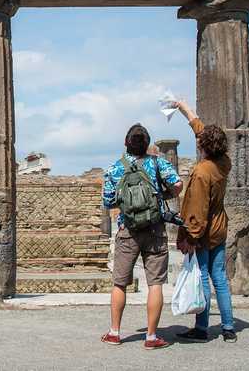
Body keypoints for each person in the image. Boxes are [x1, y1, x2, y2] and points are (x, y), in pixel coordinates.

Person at [101, 123, 183, 349]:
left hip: (128, 229)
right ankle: (151, 336)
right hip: (155, 228)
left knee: (119, 283)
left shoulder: (114, 169)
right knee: (155, 283)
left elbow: (108, 202)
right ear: (147, 144)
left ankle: (115, 332)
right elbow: (178, 185)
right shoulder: (158, 163)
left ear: (125, 144)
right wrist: (162, 194)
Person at [173, 101, 237, 343]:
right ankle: (228, 328)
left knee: (201, 277)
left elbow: (198, 212)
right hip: (220, 226)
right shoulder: (224, 162)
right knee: (219, 277)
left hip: (204, 232)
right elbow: (203, 132)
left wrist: (191, 237)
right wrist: (183, 108)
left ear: (203, 146)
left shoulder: (202, 172)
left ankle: (201, 328)